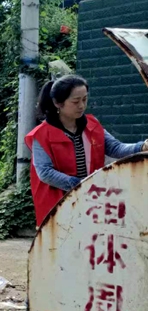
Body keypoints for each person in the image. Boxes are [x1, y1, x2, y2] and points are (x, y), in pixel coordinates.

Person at [25, 74, 148, 227]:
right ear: (58, 103)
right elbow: (45, 173)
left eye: (84, 99)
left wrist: (142, 146)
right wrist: (81, 185)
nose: (82, 106)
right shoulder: (41, 135)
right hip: (57, 205)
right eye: (76, 101)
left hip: (91, 201)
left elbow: (116, 148)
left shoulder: (92, 125)